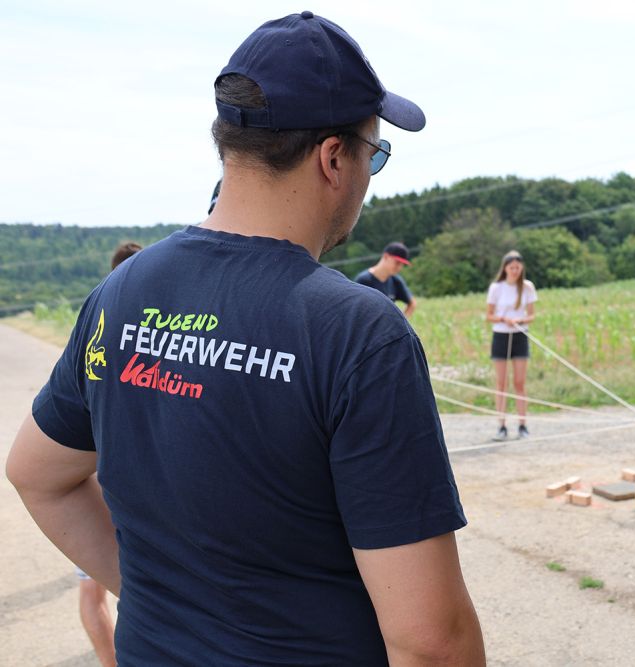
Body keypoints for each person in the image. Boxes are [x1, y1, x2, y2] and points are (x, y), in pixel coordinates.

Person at [7, 12, 484, 665]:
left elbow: (37, 474)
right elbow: (432, 642)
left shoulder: (119, 293)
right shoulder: (357, 332)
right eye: (374, 154)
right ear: (333, 158)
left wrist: (163, 602)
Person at [74, 241, 144, 667]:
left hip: (102, 479)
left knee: (93, 591)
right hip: (139, 486)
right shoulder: (158, 332)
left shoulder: (97, 323)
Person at [486, 250, 537, 441]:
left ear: (521, 268)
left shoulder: (527, 287)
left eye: (517, 267)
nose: (515, 270)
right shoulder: (496, 288)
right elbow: (489, 315)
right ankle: (501, 426)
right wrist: (502, 319)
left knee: (519, 382)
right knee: (501, 383)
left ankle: (523, 425)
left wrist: (520, 320)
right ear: (505, 268)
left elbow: (532, 315)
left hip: (520, 335)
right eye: (511, 267)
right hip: (501, 336)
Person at [354, 241, 417, 318]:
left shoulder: (396, 281)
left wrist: (400, 322)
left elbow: (412, 304)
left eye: (402, 265)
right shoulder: (364, 280)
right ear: (386, 256)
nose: (399, 268)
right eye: (397, 263)